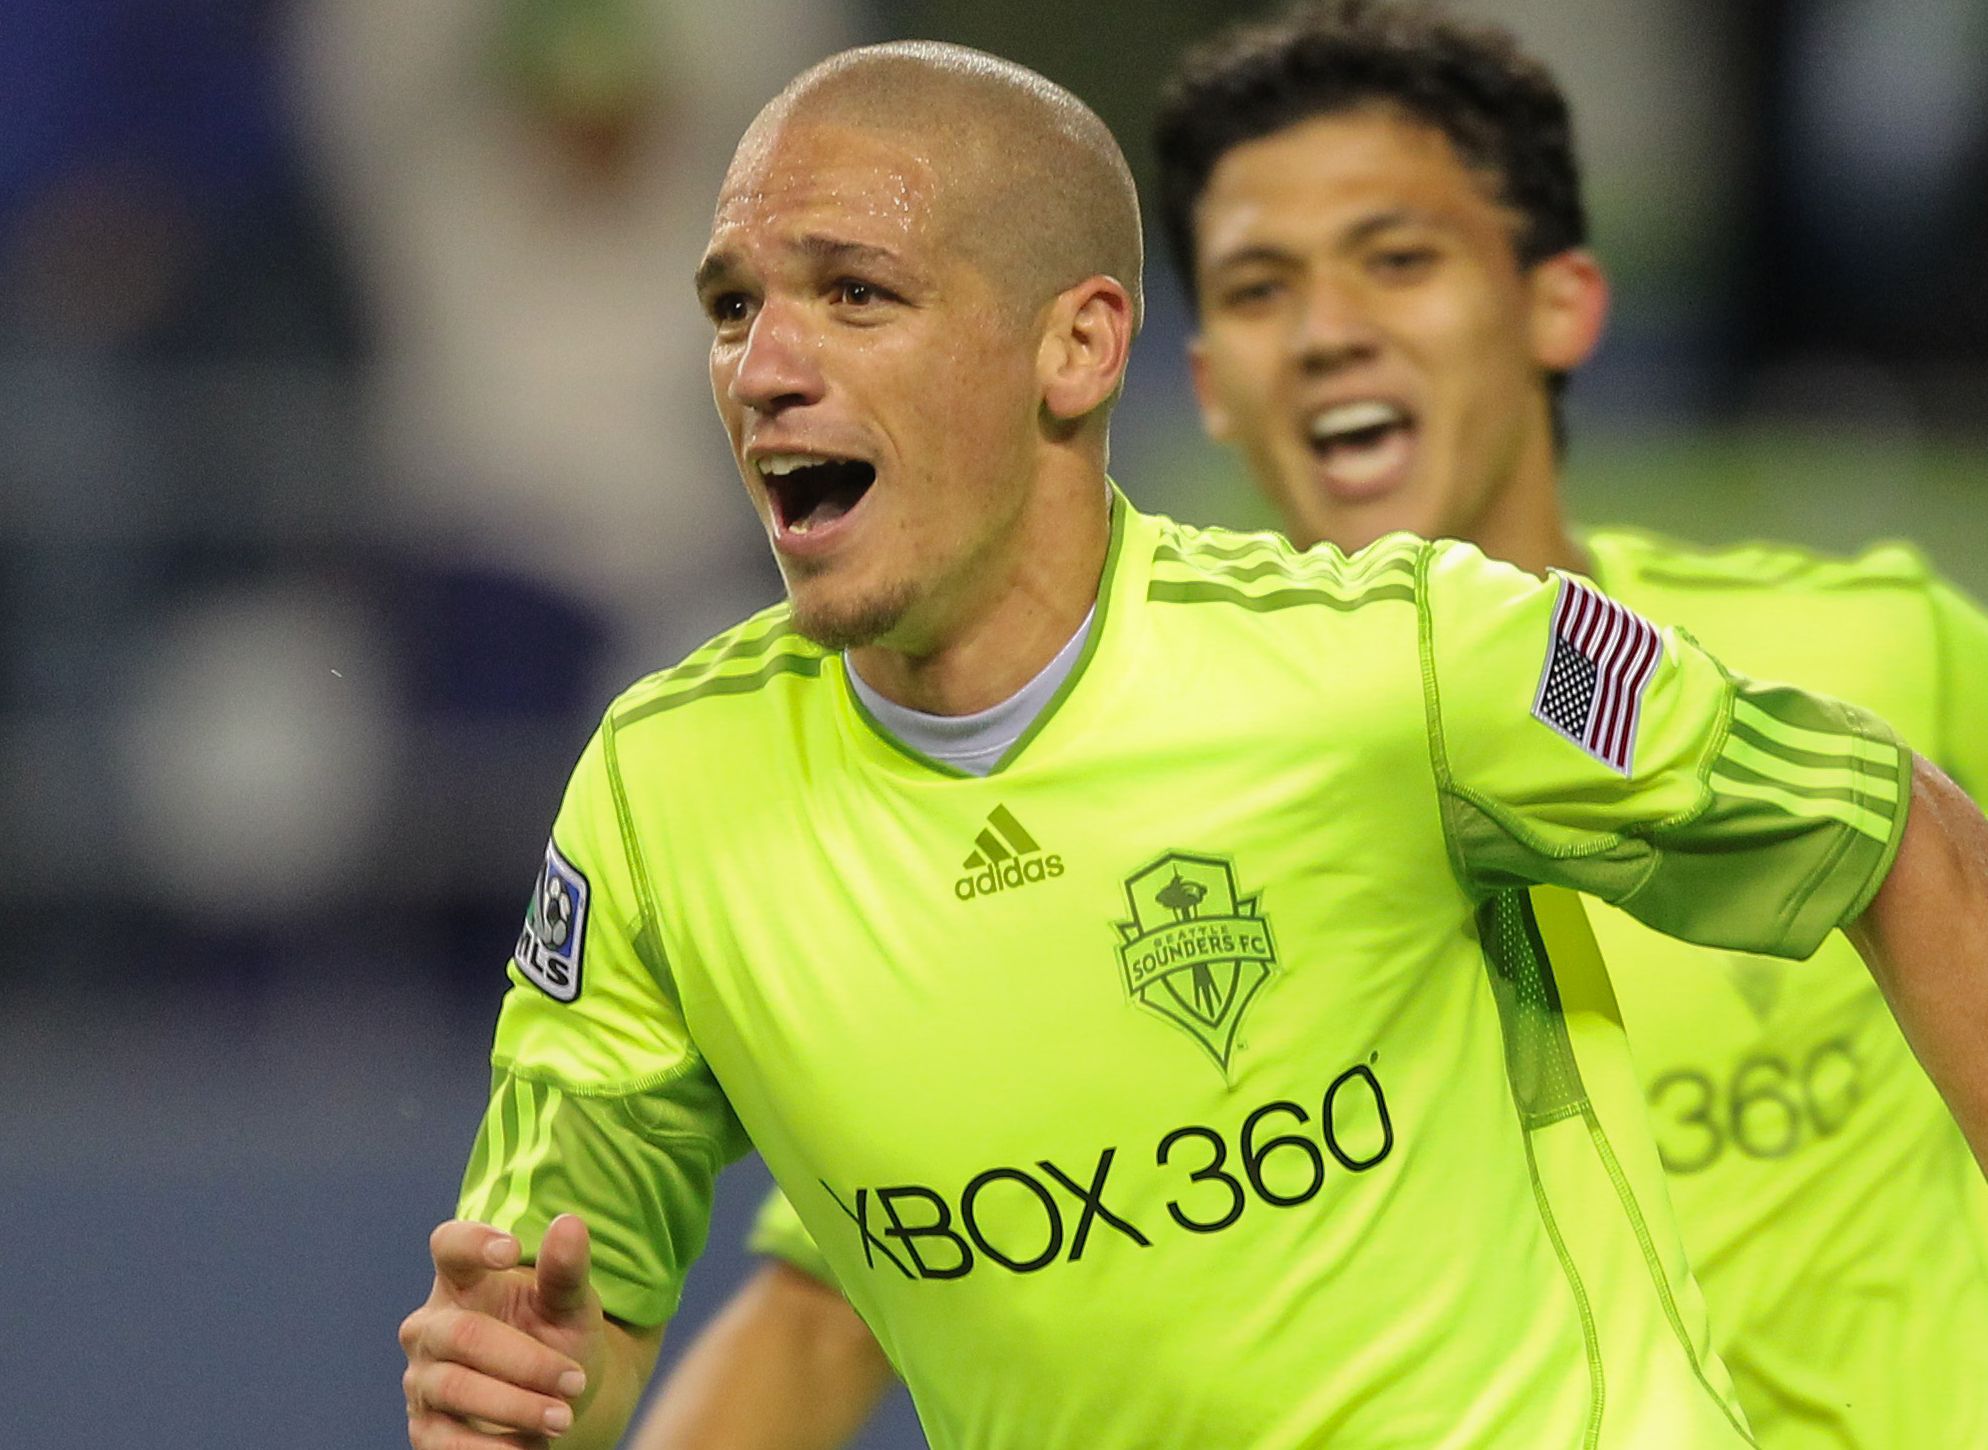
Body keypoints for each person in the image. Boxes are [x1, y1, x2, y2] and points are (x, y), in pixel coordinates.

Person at [399, 34, 1988, 1450]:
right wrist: (530, 1388)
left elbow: (1891, 829)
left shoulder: (1409, 659)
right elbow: (573, 1329)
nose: (764, 365)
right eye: (734, 306)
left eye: (854, 291)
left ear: (1078, 348)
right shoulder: (661, 797)